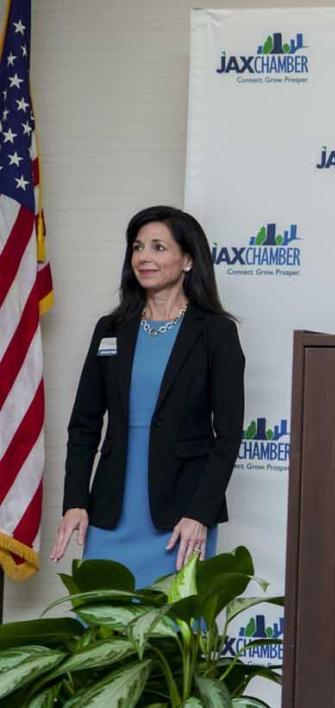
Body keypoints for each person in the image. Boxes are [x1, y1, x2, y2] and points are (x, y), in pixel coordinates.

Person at [50, 206, 245, 587]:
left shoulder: (216, 333)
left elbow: (228, 436)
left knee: (173, 638)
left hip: (181, 519)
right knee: (103, 633)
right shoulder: (110, 329)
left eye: (158, 247)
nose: (144, 257)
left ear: (187, 259)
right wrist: (75, 500)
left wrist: (200, 514)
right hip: (110, 514)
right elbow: (84, 425)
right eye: (138, 247)